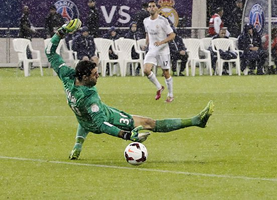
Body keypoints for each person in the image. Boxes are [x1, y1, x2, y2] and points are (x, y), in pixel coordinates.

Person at [45, 19, 214, 160]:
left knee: (84, 119)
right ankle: (196, 121)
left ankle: (77, 147)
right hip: (107, 117)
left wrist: (62, 31)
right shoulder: (90, 97)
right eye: (95, 74)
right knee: (149, 123)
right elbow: (102, 125)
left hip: (85, 119)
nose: (98, 76)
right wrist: (127, 136)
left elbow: (49, 51)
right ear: (84, 77)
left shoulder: (67, 75)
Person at [143, 0, 176, 102]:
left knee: (166, 73)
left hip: (163, 50)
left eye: (153, 6)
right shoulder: (145, 21)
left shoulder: (163, 20)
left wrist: (161, 42)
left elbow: (172, 35)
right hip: (152, 50)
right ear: (148, 9)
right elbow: (148, 33)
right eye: (150, 6)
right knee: (146, 70)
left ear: (157, 8)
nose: (152, 8)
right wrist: (146, 43)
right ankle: (159, 87)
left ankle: (170, 95)